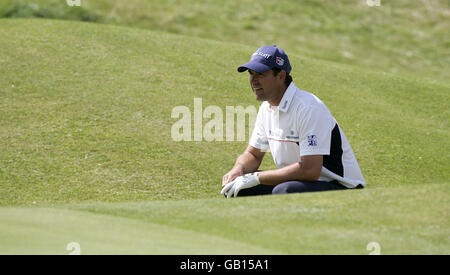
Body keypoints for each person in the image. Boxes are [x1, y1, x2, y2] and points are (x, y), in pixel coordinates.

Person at [221, 45, 365, 198]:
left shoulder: (308, 107)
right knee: (237, 188)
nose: (253, 80)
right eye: (251, 73)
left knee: (284, 191)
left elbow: (310, 170)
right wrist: (239, 169)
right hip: (297, 181)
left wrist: (256, 178)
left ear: (281, 76)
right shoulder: (266, 108)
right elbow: (254, 155)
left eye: (261, 74)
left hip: (340, 185)